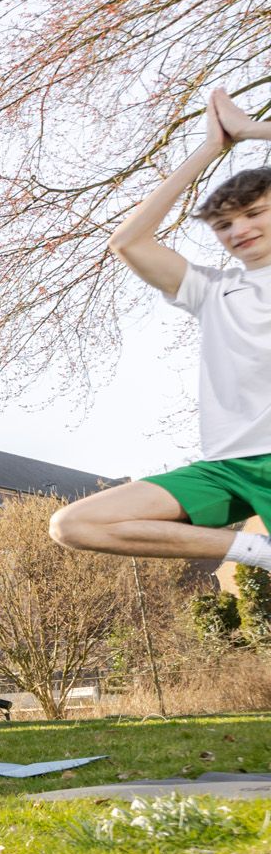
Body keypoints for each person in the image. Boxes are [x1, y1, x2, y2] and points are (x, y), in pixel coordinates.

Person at [50, 88, 271, 573]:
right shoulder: (213, 291)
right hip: (228, 468)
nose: (239, 231)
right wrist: (210, 147)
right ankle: (258, 552)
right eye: (224, 225)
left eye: (254, 214)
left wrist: (253, 130)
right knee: (73, 525)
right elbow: (128, 241)